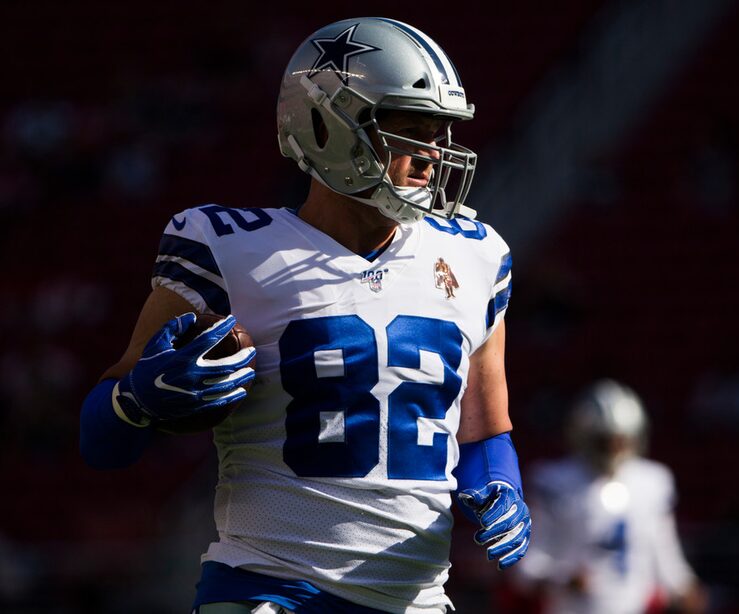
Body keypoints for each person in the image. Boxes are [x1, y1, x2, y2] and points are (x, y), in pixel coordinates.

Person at [79, 17, 530, 614]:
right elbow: (101, 442)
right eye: (410, 132)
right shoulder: (228, 248)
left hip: (415, 599)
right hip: (268, 587)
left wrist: (501, 481)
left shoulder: (475, 253)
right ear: (327, 127)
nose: (433, 156)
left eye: (440, 133)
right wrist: (138, 399)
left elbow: (483, 427)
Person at [510, 379, 706, 614]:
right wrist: (563, 580)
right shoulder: (552, 483)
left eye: (621, 441)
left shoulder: (653, 482)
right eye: (605, 442)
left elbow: (666, 557)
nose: (614, 448)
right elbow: (526, 567)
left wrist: (685, 588)